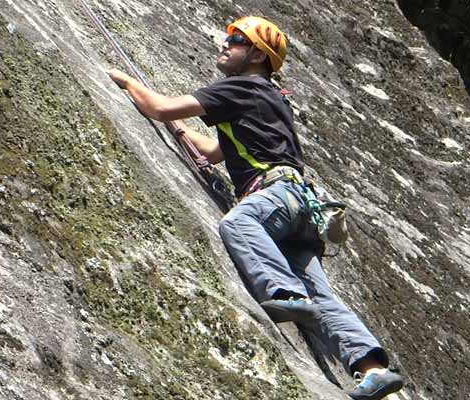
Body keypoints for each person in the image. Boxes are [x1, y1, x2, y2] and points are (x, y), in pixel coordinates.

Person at [107, 16, 404, 400]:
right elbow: (215, 150)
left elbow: (162, 108)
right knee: (323, 296)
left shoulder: (240, 88)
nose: (224, 43)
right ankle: (373, 369)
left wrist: (127, 81)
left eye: (235, 39)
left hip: (273, 200)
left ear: (255, 55)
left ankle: (287, 295)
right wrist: (184, 133)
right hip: (299, 210)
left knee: (238, 224)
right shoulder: (271, 96)